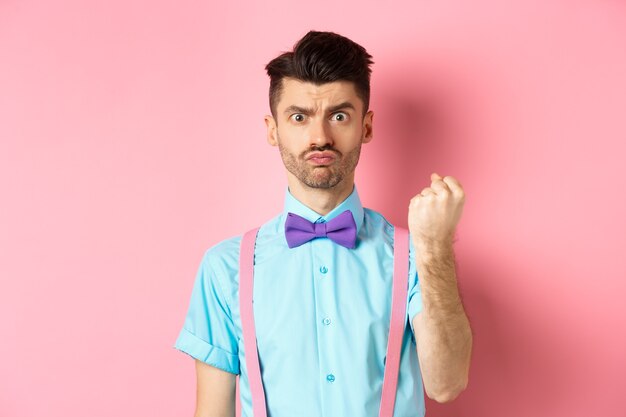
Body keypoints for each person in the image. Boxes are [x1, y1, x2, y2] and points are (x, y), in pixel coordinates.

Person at [174, 30, 472, 417]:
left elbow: (446, 384)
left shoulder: (418, 257)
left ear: (365, 127)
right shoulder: (224, 267)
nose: (320, 137)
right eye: (299, 117)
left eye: (339, 116)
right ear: (272, 129)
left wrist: (434, 246)